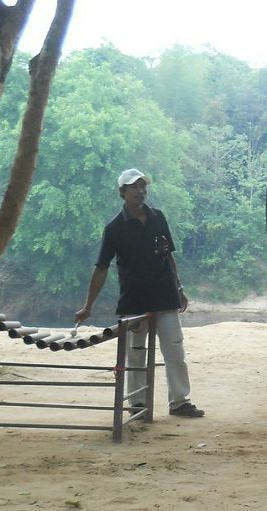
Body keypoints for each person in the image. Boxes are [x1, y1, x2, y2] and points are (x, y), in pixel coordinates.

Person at [75, 168, 204, 418]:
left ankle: (179, 402)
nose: (140, 191)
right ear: (122, 192)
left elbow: (168, 256)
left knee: (175, 350)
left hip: (165, 295)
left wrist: (179, 288)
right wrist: (88, 306)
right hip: (133, 299)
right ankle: (137, 403)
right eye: (134, 187)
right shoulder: (114, 228)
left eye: (143, 186)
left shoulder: (158, 218)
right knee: (135, 353)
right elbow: (101, 268)